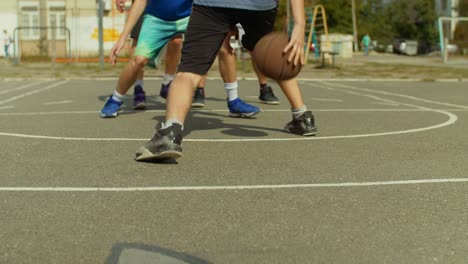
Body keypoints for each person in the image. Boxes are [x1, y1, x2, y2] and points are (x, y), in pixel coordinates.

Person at [135, 0, 317, 161]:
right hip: (260, 6)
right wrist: (299, 24)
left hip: (213, 5)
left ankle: (170, 134)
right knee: (274, 57)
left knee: (190, 70)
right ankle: (302, 117)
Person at [101, 0, 259, 118]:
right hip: (156, 19)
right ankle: (115, 99)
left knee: (224, 47)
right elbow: (140, 2)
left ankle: (234, 101)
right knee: (138, 60)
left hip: (190, 17)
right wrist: (122, 37)